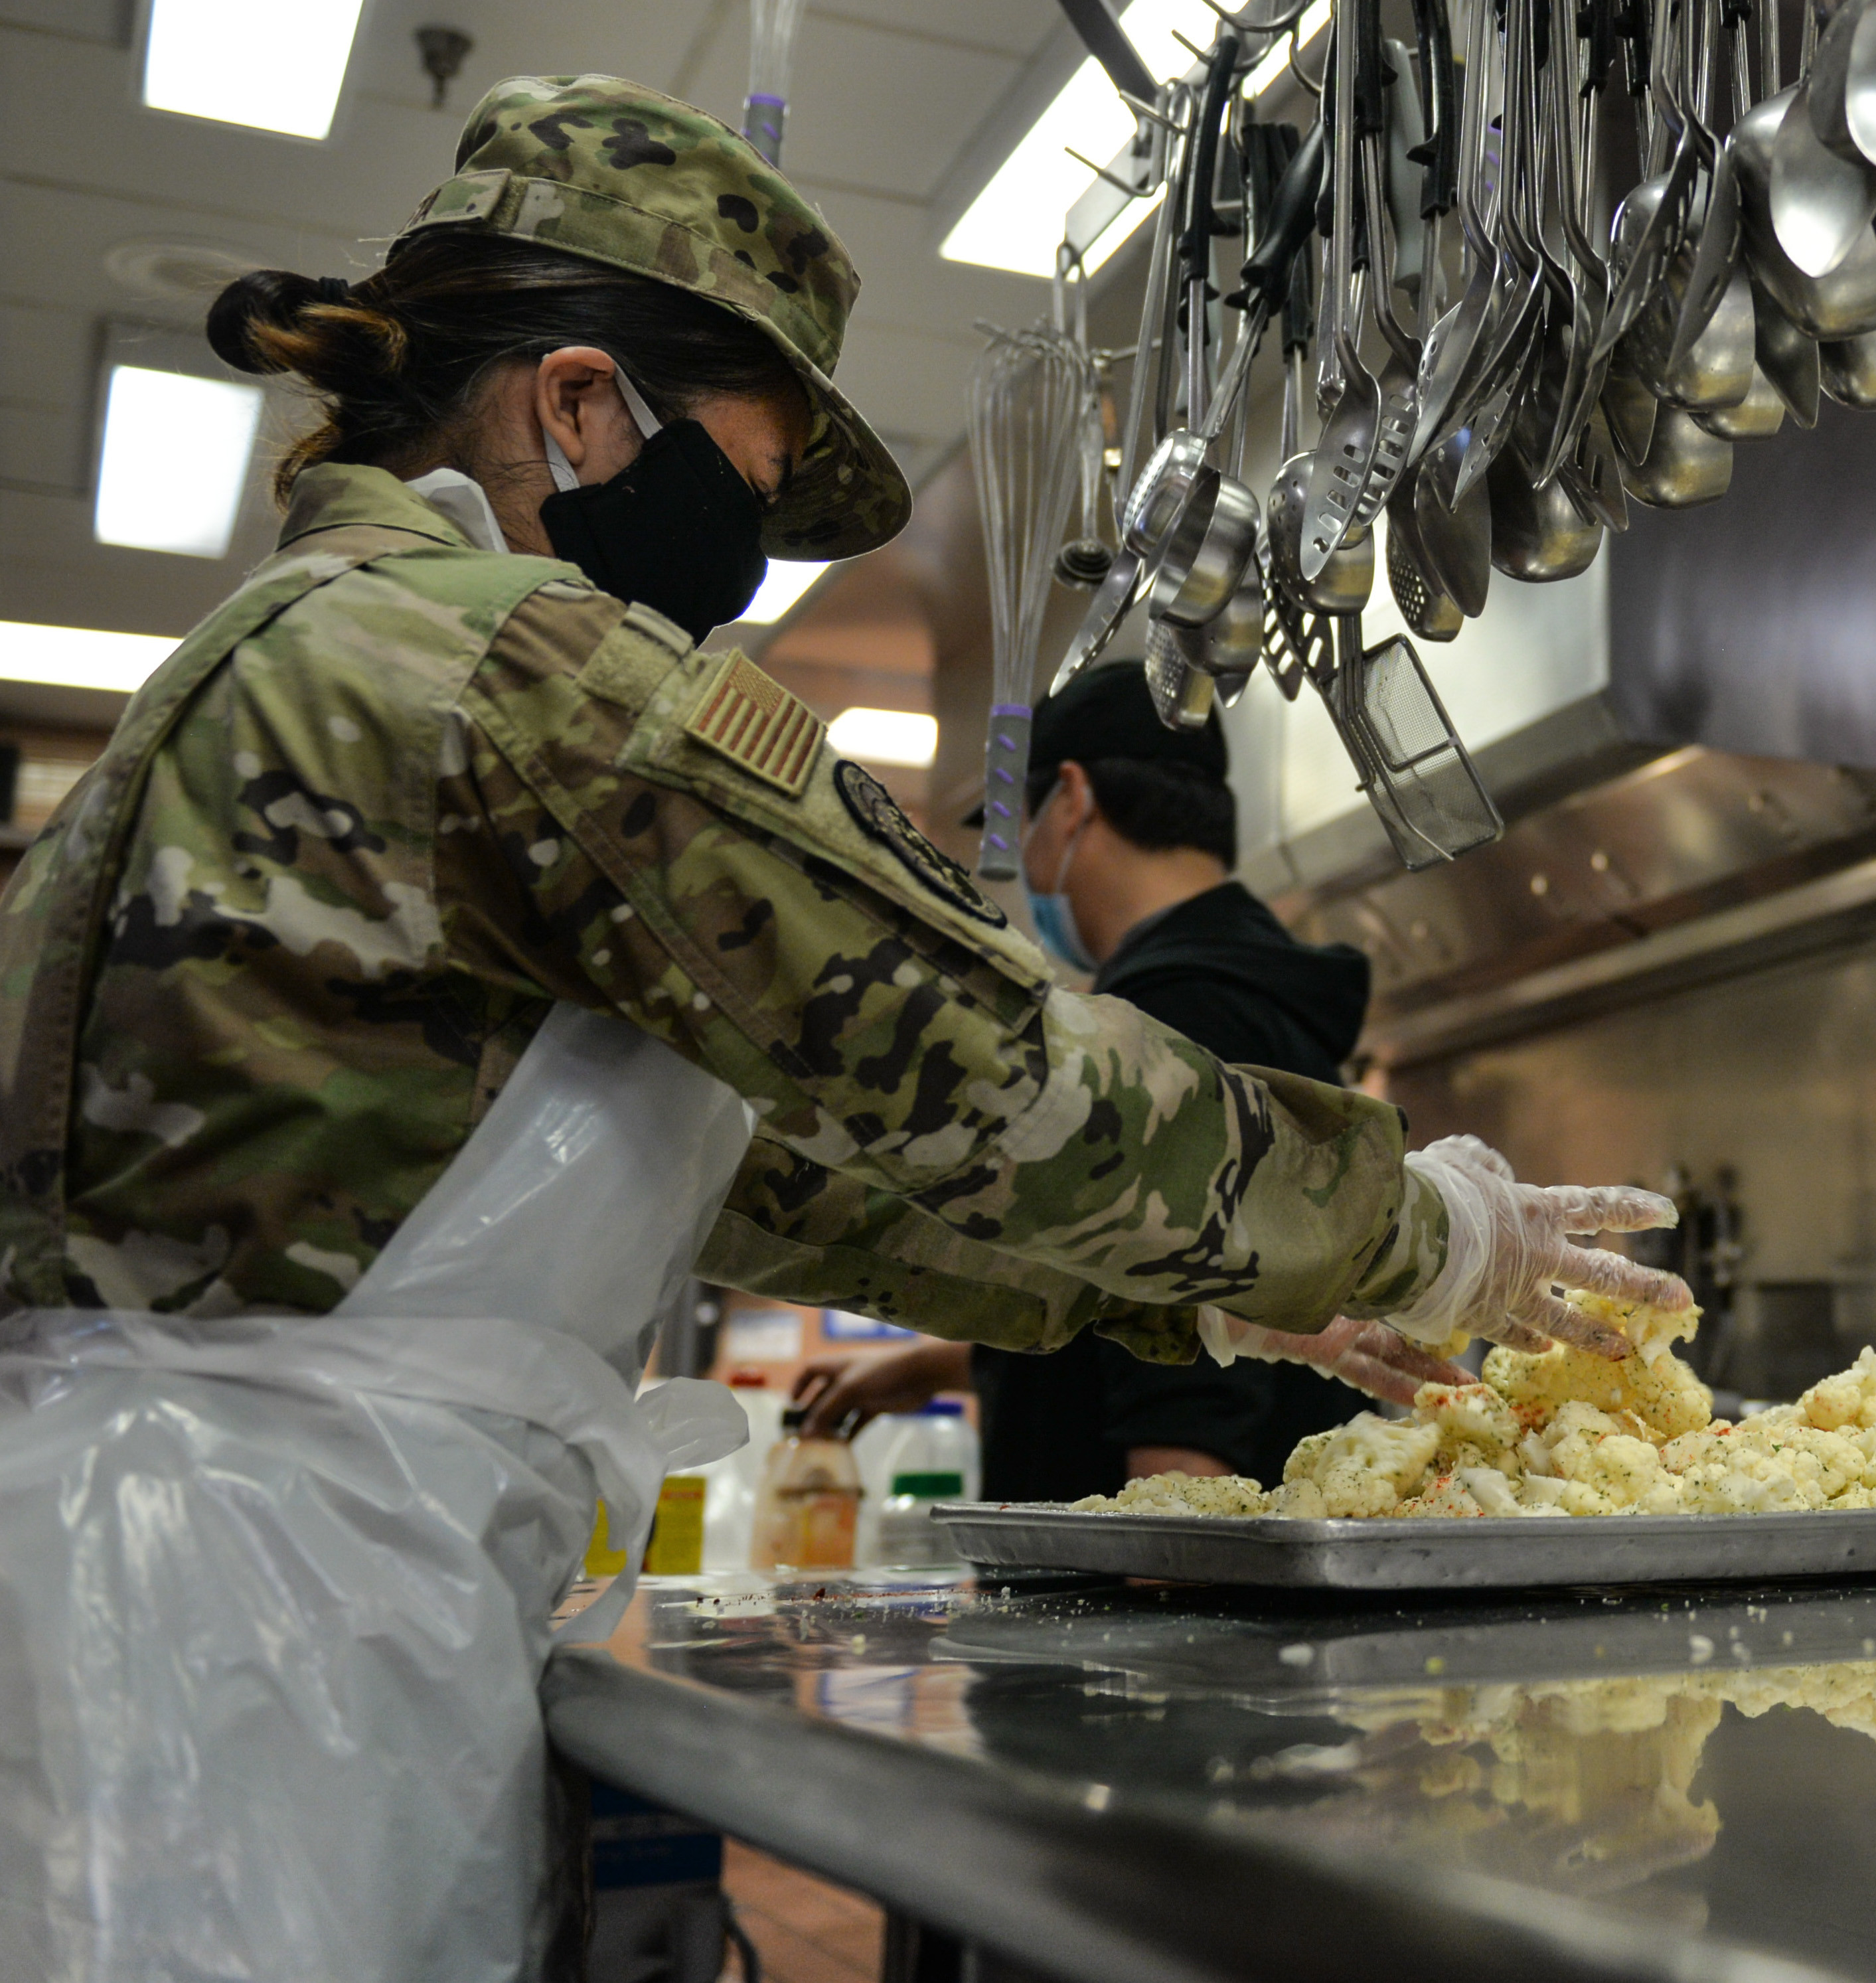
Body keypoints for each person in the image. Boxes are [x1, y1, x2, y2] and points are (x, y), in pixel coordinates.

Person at [0, 76, 1680, 1976]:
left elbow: (782, 1160)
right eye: (746, 466)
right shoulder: (509, 666)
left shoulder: (298, 644)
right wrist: (1418, 1228)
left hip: (172, 1593)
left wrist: (1202, 1294)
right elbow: (989, 1066)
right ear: (576, 400)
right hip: (262, 1643)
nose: (755, 559)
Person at [797, 661, 1375, 1493]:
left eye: (1024, 823)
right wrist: (934, 1368)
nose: (1027, 869)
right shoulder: (1258, 996)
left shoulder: (1166, 1021)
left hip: (1138, 1594)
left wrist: (1162, 1583)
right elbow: (1127, 1293)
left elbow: (1198, 1366)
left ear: (1070, 801)